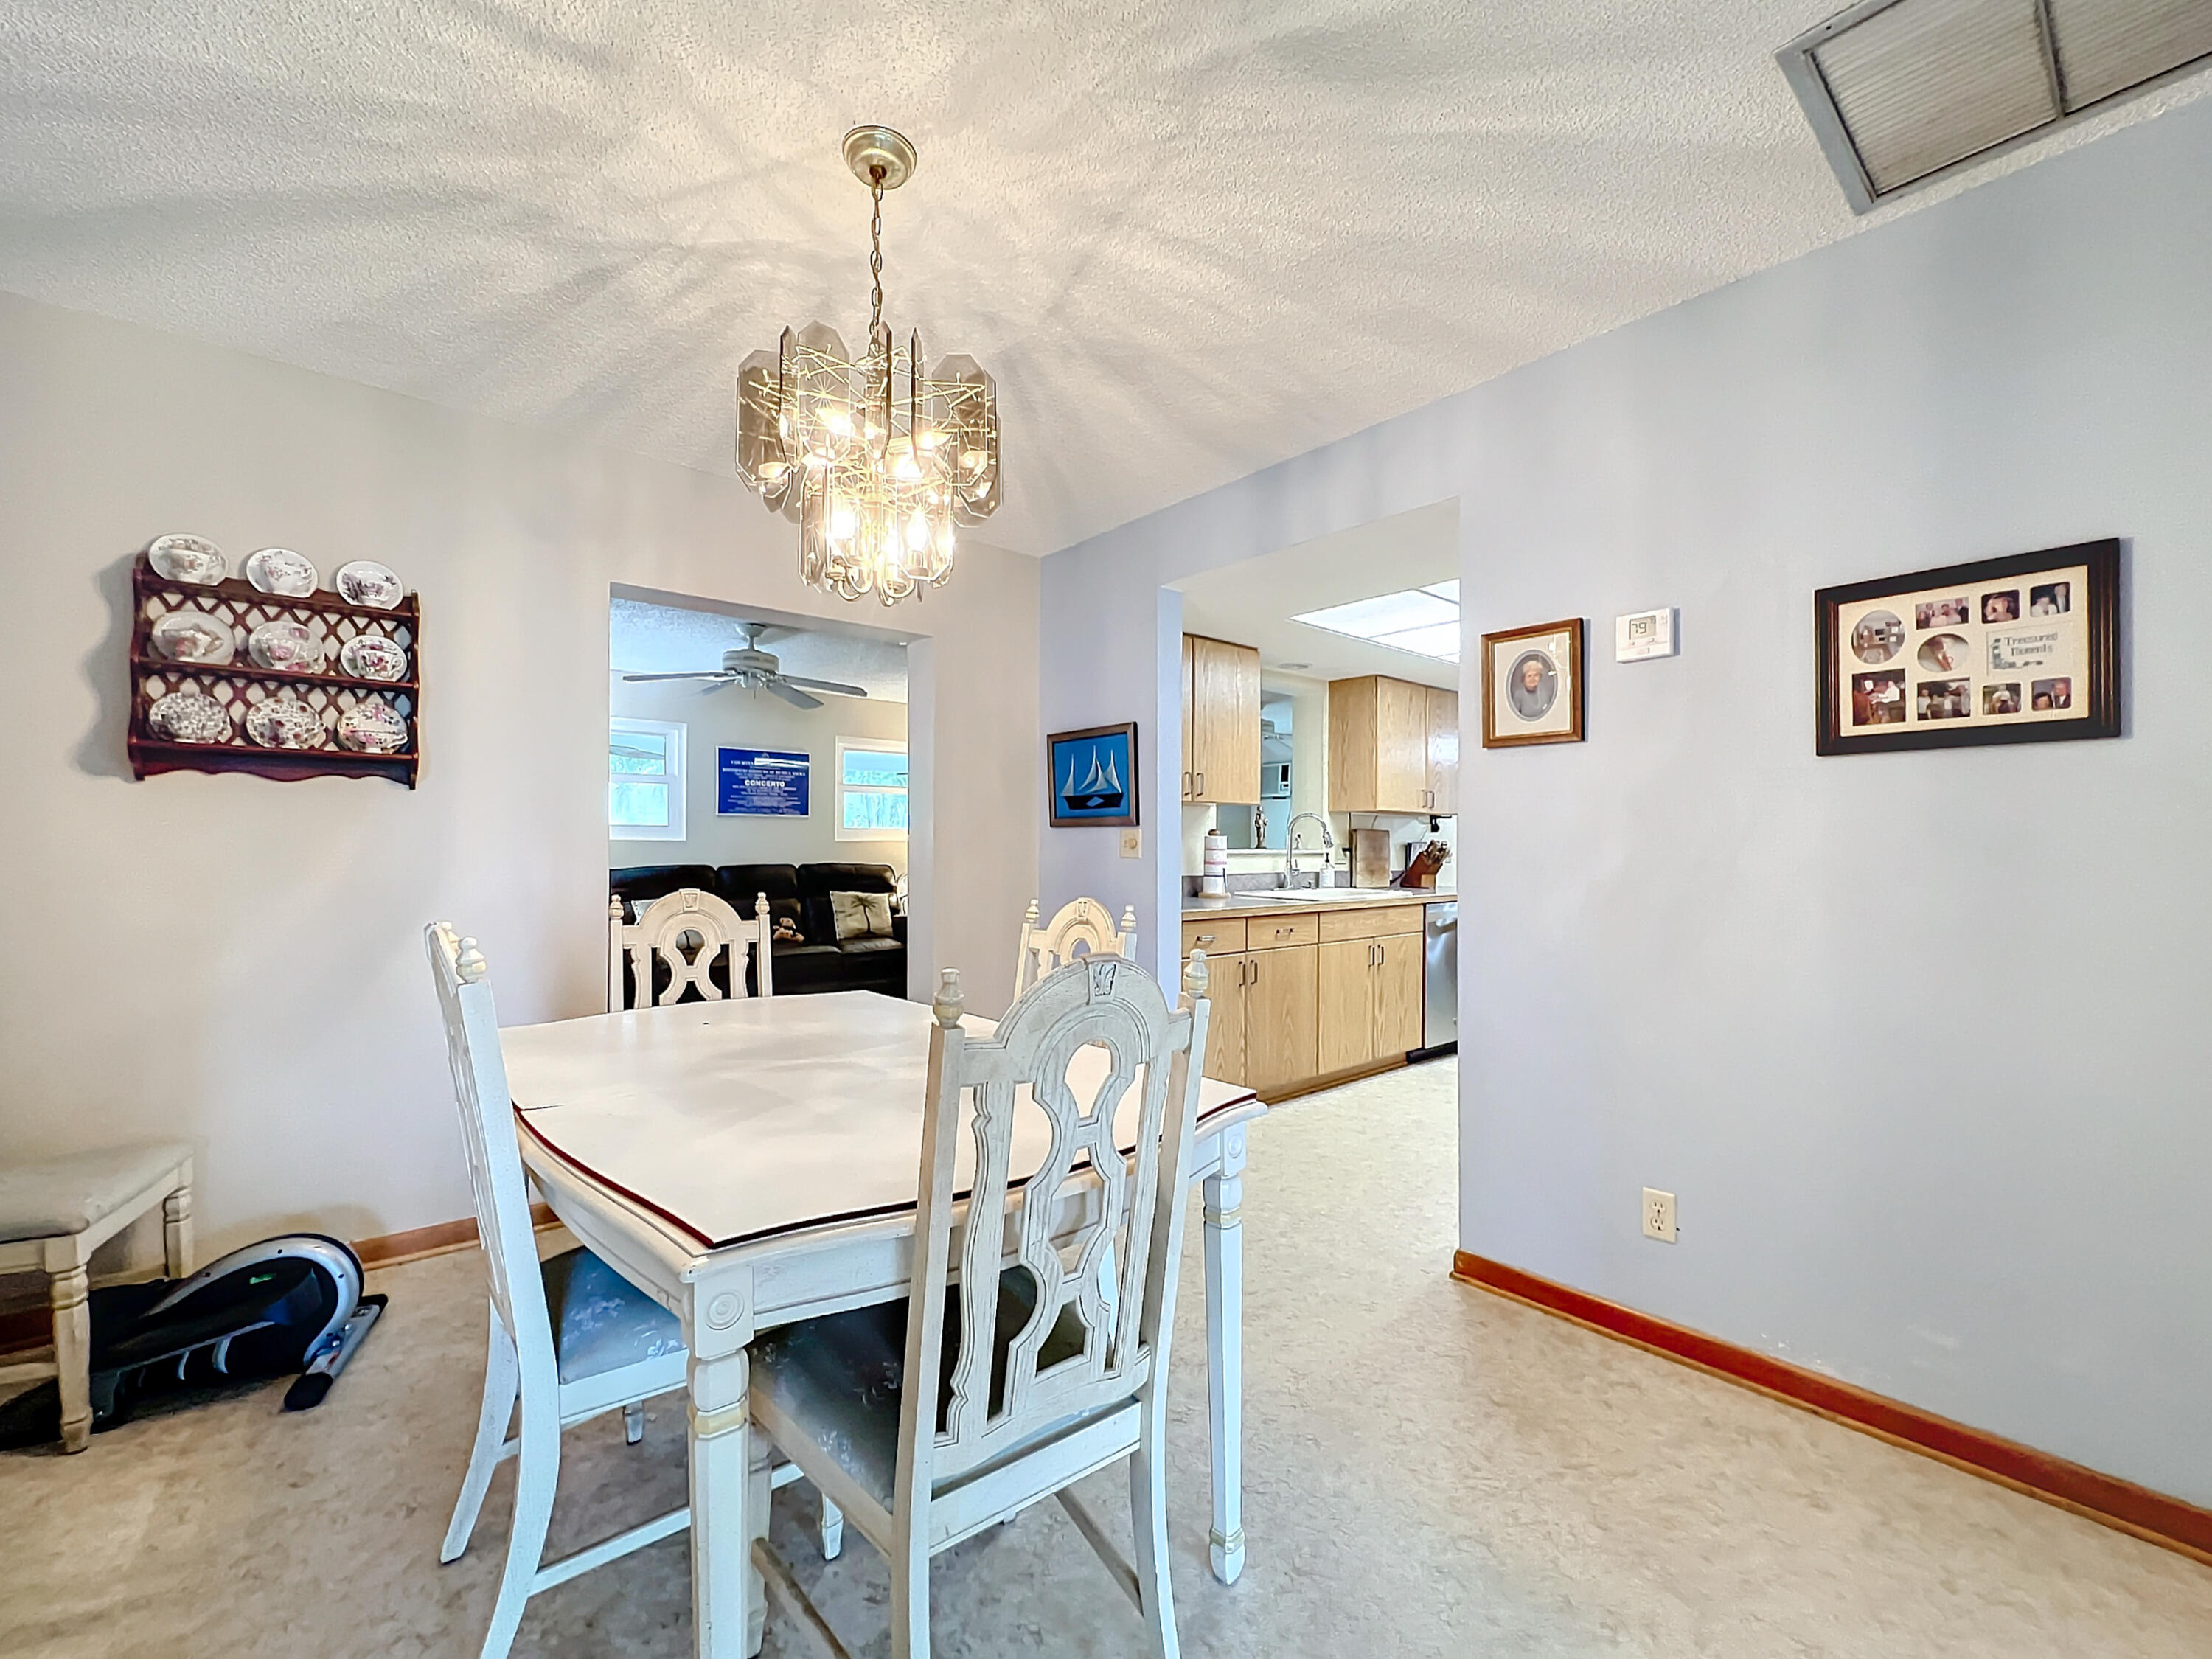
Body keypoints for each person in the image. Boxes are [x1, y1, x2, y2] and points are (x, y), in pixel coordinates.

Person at [1508, 653, 1555, 720]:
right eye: (1529, 676)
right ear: (1524, 679)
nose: (1533, 679)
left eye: (1536, 675)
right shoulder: (1518, 695)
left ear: (1540, 677)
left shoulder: (1545, 693)